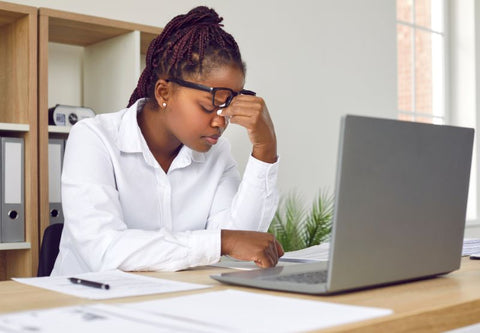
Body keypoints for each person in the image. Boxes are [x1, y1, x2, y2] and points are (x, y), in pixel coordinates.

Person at [51, 6, 283, 276]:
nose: (221, 121)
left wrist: (265, 150)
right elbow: (105, 251)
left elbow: (244, 249)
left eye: (228, 107)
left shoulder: (217, 154)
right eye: (211, 104)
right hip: (84, 303)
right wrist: (223, 242)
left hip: (171, 302)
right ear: (164, 92)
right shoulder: (94, 138)